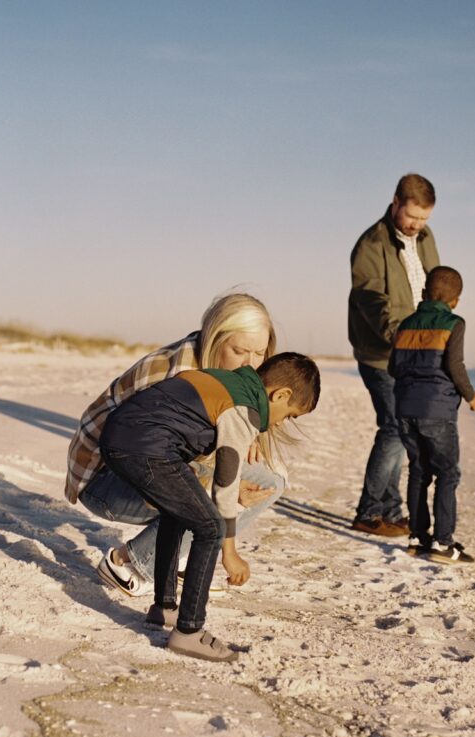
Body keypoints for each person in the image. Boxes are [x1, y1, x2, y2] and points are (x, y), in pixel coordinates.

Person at [98, 353, 321, 661]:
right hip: (143, 446)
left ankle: (165, 609)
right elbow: (226, 485)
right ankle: (188, 631)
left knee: (179, 512)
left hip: (124, 437)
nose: (282, 422)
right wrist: (230, 552)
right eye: (289, 414)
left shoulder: (229, 381)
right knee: (211, 526)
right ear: (280, 395)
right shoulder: (244, 411)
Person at [65, 293, 284, 596]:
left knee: (272, 480)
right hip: (105, 479)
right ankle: (127, 563)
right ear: (213, 340)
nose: (250, 363)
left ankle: (178, 554)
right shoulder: (178, 376)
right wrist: (220, 490)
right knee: (215, 497)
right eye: (239, 351)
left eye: (259, 353)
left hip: (159, 464)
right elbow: (150, 460)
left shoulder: (233, 380)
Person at [347, 173, 440, 537]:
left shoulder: (427, 238)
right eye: (412, 217)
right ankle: (369, 511)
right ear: (396, 202)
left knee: (401, 429)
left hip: (417, 350)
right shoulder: (370, 245)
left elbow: (433, 282)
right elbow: (372, 300)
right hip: (381, 352)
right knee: (394, 427)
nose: (417, 225)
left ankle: (389, 510)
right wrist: (399, 337)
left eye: (424, 219)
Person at [388, 266, 475, 563]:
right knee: (447, 473)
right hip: (437, 411)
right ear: (455, 301)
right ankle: (442, 543)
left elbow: (393, 367)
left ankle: (417, 537)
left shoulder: (406, 324)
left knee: (418, 470)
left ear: (424, 294)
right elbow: (455, 365)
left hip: (404, 408)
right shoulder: (454, 323)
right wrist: (470, 395)